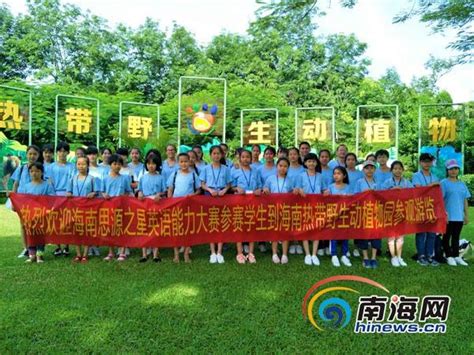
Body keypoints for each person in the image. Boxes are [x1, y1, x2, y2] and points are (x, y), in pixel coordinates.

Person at [199, 145, 232, 264]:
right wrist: (209, 189)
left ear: (222, 155)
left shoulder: (226, 169)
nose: (216, 156)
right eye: (214, 153)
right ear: (210, 155)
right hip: (210, 195)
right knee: (212, 223)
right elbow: (202, 184)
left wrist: (225, 190)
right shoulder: (206, 169)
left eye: (218, 153)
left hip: (222, 195)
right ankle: (212, 252)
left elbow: (229, 184)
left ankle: (219, 252)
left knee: (221, 223)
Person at [18, 162, 55, 263]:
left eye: (37, 171)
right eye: (32, 171)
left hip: (42, 214)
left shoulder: (47, 185)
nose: (34, 173)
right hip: (30, 215)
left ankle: (40, 255)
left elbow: (52, 198)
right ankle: (31, 255)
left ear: (42, 172)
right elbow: (22, 200)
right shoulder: (26, 186)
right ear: (29, 173)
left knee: (40, 235)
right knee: (31, 234)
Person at [168, 153, 202, 263]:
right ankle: (176, 254)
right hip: (176, 205)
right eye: (181, 161)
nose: (184, 164)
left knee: (188, 229)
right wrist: (170, 202)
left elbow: (198, 190)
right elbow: (170, 189)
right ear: (178, 163)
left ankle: (186, 253)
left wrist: (193, 195)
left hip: (189, 206)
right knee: (176, 230)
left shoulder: (193, 175)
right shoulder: (174, 174)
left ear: (189, 162)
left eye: (186, 161)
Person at [262, 157, 297, 264]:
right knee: (275, 231)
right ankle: (274, 253)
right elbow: (265, 189)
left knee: (285, 231)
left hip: (286, 209)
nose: (282, 168)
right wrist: (265, 189)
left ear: (288, 168)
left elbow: (292, 192)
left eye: (285, 166)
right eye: (280, 166)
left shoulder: (290, 180)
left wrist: (295, 190)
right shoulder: (270, 178)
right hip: (273, 208)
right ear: (277, 166)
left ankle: (285, 254)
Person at [10, 145, 42, 258]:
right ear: (26, 154)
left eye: (35, 154)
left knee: (36, 225)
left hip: (36, 201)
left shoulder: (41, 168)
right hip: (22, 201)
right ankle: (26, 248)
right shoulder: (21, 168)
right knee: (23, 224)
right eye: (30, 154)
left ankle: (37, 249)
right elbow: (15, 184)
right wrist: (13, 200)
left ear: (38, 155)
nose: (32, 156)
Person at [232, 149, 262, 264]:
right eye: (243, 157)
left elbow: (259, 185)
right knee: (239, 225)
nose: (245, 159)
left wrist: (259, 190)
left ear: (251, 159)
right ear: (240, 158)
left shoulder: (255, 171)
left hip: (252, 203)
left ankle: (251, 252)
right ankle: (239, 253)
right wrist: (236, 189)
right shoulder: (235, 171)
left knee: (251, 226)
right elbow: (230, 186)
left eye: (247, 157)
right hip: (239, 202)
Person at [101, 154, 133, 261]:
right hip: (109, 207)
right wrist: (104, 194)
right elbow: (102, 191)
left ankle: (122, 252)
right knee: (110, 229)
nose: (117, 166)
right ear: (110, 165)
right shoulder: (105, 178)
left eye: (119, 164)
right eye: (115, 164)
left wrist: (124, 197)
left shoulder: (124, 178)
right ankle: (111, 252)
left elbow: (129, 192)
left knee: (121, 228)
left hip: (121, 207)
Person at [66, 157, 97, 263]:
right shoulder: (73, 178)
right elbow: (68, 191)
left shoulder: (92, 178)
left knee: (86, 231)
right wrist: (69, 193)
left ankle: (85, 254)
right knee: (76, 231)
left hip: (87, 208)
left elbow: (96, 192)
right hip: (75, 208)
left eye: (83, 164)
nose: (81, 166)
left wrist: (93, 193)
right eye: (79, 164)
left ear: (88, 165)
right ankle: (78, 254)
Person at [382, 161, 413, 267]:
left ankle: (399, 256)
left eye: (400, 168)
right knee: (391, 237)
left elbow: (413, 194)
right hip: (390, 212)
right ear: (391, 170)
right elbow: (381, 195)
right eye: (395, 168)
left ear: (402, 170)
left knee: (400, 236)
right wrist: (392, 190)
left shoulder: (407, 182)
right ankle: (393, 257)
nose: (398, 170)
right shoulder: (387, 182)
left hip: (402, 211)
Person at [412, 153, 440, 266]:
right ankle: (421, 256)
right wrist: (432, 185)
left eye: (429, 161)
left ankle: (429, 255)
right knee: (421, 232)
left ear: (432, 163)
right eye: (424, 161)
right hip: (420, 207)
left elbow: (437, 193)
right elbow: (418, 190)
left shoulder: (435, 176)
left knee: (432, 233)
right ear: (420, 162)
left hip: (432, 207)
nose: (427, 163)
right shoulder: (416, 175)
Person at [441, 159, 470, 266]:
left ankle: (456, 256)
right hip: (448, 216)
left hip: (459, 216)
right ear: (447, 170)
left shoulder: (462, 184)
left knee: (456, 237)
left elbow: (465, 200)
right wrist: (444, 214)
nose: (454, 171)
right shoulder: (443, 183)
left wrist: (466, 215)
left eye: (456, 169)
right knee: (446, 237)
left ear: (458, 170)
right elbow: (440, 200)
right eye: (451, 169)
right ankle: (449, 256)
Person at [137, 154, 166, 263]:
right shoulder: (143, 177)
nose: (151, 166)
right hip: (145, 203)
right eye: (149, 164)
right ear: (146, 165)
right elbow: (139, 190)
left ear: (157, 165)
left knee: (156, 228)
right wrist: (139, 193)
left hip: (157, 203)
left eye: (153, 164)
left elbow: (164, 190)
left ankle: (155, 254)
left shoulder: (161, 177)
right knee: (144, 227)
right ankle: (144, 254)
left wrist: (160, 194)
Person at [295, 153, 323, 266]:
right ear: (305, 163)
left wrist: (326, 191)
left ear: (316, 163)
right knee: (305, 229)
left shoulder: (320, 176)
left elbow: (324, 189)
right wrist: (299, 189)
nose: (311, 163)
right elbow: (296, 188)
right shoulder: (301, 175)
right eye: (309, 161)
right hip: (305, 207)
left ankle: (314, 254)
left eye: (313, 161)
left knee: (317, 230)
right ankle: (307, 254)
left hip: (318, 206)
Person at [49, 141, 75, 256]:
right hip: (55, 196)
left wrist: (69, 192)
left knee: (67, 221)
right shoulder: (51, 167)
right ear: (57, 152)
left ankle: (66, 246)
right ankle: (58, 246)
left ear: (68, 153)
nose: (62, 153)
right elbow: (49, 181)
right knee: (56, 221)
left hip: (68, 196)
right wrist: (53, 195)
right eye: (60, 151)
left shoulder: (72, 167)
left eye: (65, 151)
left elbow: (73, 181)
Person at [354, 160, 381, 268]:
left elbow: (383, 196)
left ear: (375, 169)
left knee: (376, 235)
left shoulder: (378, 182)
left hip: (376, 212)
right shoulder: (359, 182)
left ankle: (373, 257)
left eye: (371, 168)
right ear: (363, 170)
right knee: (364, 235)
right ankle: (365, 257)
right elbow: (356, 196)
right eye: (367, 168)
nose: (369, 170)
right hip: (364, 212)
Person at [324, 166, 352, 267]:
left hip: (345, 216)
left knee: (345, 235)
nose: (336, 175)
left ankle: (344, 255)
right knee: (333, 235)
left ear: (344, 175)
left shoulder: (348, 187)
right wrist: (326, 195)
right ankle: (334, 255)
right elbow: (327, 201)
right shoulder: (330, 187)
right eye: (334, 173)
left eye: (339, 173)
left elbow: (352, 201)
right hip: (334, 215)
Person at [287, 147, 305, 255]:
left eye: (295, 154)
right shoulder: (285, 167)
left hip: (300, 197)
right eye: (290, 154)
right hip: (288, 197)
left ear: (298, 155)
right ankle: (290, 242)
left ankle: (298, 242)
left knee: (299, 219)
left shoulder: (303, 168)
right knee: (289, 220)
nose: (293, 156)